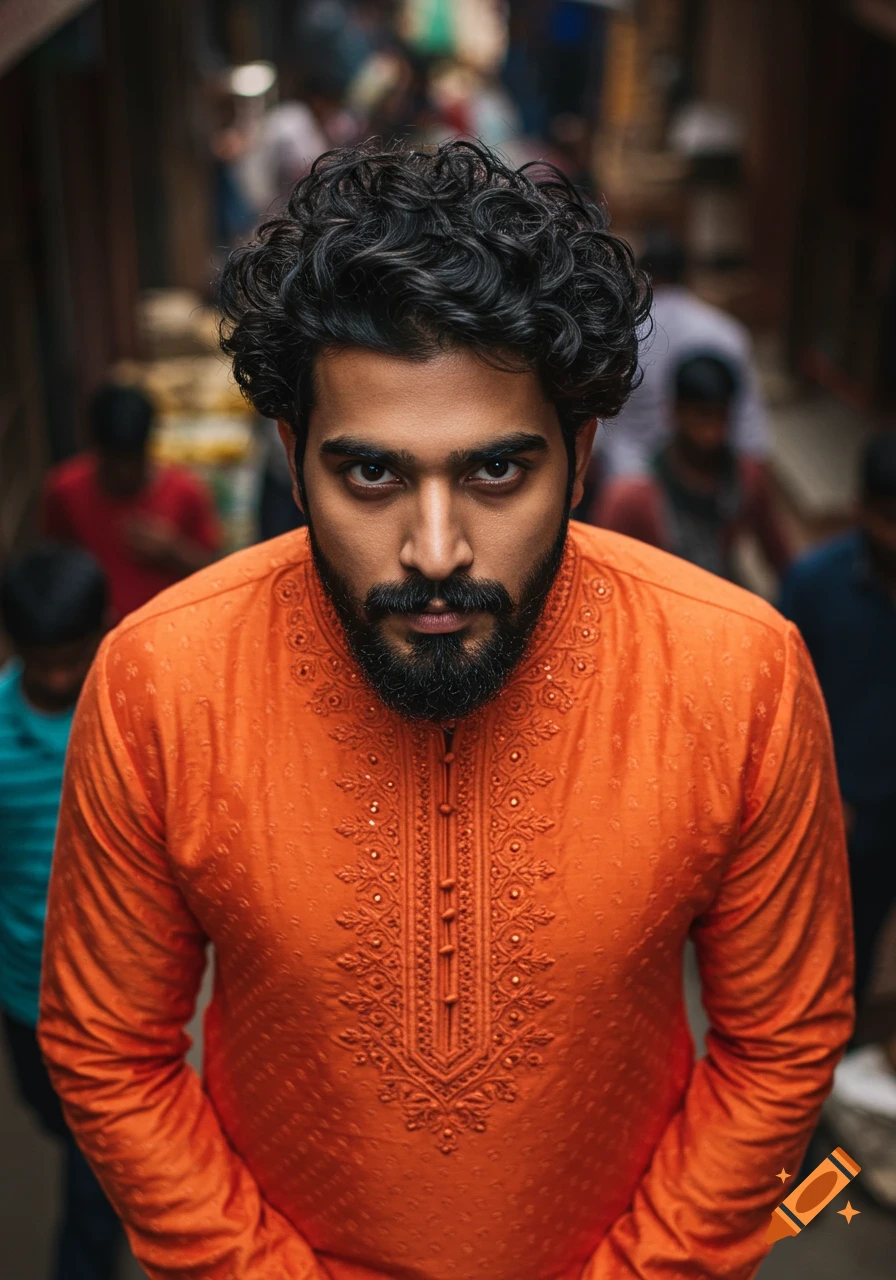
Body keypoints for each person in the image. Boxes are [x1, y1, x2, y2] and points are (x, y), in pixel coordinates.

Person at [39, 140, 852, 1280]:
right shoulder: (159, 681)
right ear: (291, 455)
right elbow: (106, 1046)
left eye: (493, 474)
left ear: (577, 457)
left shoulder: (741, 673)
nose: (433, 550)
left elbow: (781, 1044)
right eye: (370, 475)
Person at [779, 432, 896, 1207]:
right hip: (830, 826)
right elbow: (780, 702)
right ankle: (794, 1139)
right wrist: (825, 796)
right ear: (861, 511)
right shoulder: (817, 584)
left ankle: (837, 1108)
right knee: (807, 981)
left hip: (888, 828)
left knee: (859, 981)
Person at [0, 545, 123, 1280]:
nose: (54, 678)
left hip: (118, 1000)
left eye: (69, 658)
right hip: (25, 997)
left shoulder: (129, 714)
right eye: (40, 660)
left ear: (102, 633)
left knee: (94, 1157)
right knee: (54, 1118)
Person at [594, 352, 791, 583]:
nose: (711, 433)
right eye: (701, 417)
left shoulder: (745, 479)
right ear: (675, 410)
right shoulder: (633, 497)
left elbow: (781, 558)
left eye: (720, 417)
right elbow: (602, 575)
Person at [598, 231, 770, 480]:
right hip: (704, 479)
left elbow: (601, 421)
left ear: (640, 278)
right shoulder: (726, 332)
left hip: (630, 473)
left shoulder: (621, 336)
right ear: (688, 274)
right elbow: (750, 427)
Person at [42, 384, 221, 620]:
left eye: (133, 460)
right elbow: (54, 569)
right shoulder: (64, 491)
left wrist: (173, 552)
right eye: (113, 461)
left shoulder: (186, 492)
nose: (123, 473)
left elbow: (217, 575)